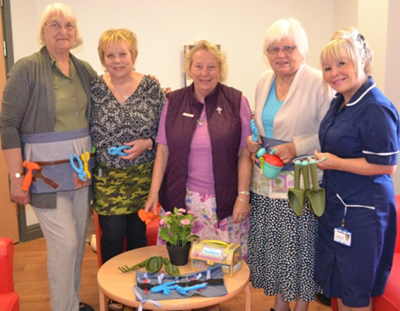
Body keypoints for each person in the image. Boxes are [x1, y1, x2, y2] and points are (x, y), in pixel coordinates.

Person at [0, 3, 97, 311]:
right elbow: (7, 125)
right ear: (42, 32)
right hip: (43, 178)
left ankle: (73, 302)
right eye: (54, 25)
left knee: (77, 246)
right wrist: (16, 179)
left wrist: (142, 84)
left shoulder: (83, 69)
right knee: (65, 244)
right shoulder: (27, 68)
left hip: (80, 174)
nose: (62, 31)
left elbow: (109, 98)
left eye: (68, 25)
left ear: (76, 32)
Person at [246, 18, 333, 311]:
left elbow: (330, 131)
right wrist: (253, 141)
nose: (280, 54)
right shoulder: (263, 80)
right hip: (267, 181)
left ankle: (301, 307)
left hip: (301, 183)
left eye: (288, 47)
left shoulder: (319, 81)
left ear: (302, 50)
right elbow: (262, 123)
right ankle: (280, 305)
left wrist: (297, 146)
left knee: (301, 250)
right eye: (273, 49)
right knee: (277, 251)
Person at [314, 27, 399, 311]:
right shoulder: (340, 102)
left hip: (363, 214)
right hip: (339, 207)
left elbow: (386, 167)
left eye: (341, 63)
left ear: (361, 60)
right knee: (340, 285)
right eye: (327, 67)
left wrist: (334, 162)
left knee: (355, 290)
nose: (334, 72)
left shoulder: (376, 108)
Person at [144, 40, 253, 261]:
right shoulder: (173, 102)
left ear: (221, 70)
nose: (205, 73)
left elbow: (244, 153)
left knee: (223, 269)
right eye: (198, 66)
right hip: (183, 204)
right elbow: (162, 150)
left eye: (212, 66)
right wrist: (154, 192)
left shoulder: (236, 100)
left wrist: (243, 196)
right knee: (183, 265)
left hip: (224, 205)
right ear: (189, 69)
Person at [90, 28, 165, 264]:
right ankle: (112, 292)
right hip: (107, 178)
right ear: (102, 59)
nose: (117, 61)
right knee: (111, 235)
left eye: (122, 54)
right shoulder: (94, 89)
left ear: (133, 54)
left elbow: (166, 132)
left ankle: (137, 285)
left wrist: (148, 143)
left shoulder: (151, 88)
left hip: (142, 178)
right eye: (110, 55)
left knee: (137, 236)